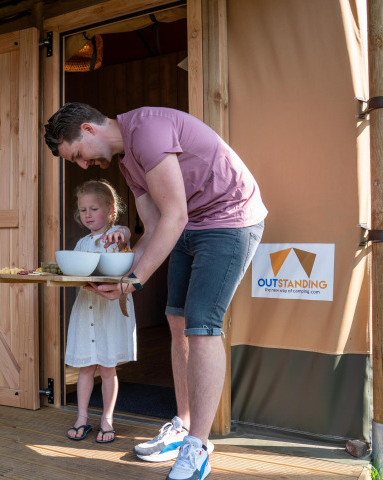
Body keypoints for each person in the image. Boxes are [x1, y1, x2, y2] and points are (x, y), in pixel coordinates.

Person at [45, 103, 267, 480]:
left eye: (78, 155)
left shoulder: (147, 130)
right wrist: (125, 280)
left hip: (229, 219)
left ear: (89, 129)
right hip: (191, 225)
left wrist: (133, 281)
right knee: (176, 319)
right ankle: (182, 425)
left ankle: (198, 448)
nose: (82, 165)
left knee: (202, 327)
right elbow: (152, 227)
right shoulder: (127, 161)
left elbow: (174, 214)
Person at [64, 179, 137, 444]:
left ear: (110, 208)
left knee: (107, 368)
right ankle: (82, 418)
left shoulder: (117, 235)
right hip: (86, 309)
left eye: (93, 208)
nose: (87, 214)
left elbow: (126, 234)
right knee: (85, 367)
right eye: (83, 210)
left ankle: (107, 420)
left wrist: (120, 234)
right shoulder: (82, 243)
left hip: (109, 311)